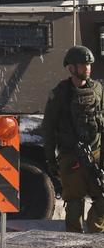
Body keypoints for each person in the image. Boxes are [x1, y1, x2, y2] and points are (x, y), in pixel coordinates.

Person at [42, 46, 104, 233]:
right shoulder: (60, 94)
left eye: (89, 65)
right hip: (71, 156)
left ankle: (95, 234)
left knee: (102, 197)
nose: (87, 68)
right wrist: (51, 160)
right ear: (71, 68)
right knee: (74, 201)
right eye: (83, 65)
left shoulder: (98, 90)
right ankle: (74, 239)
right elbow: (48, 128)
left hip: (96, 154)